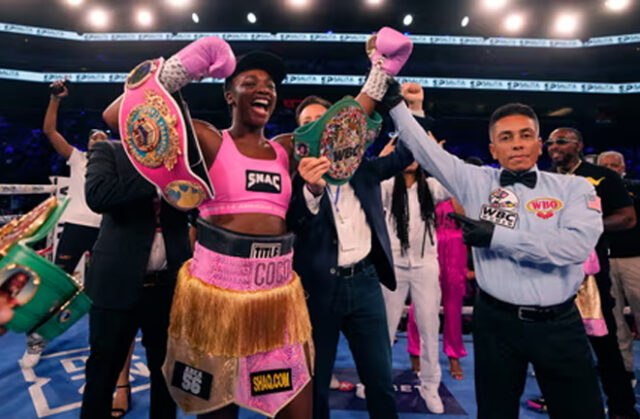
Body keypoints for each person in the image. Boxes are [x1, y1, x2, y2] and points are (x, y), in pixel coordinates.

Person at [383, 81, 606, 418]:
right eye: (506, 138)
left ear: (538, 143)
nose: (517, 144)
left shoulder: (574, 188)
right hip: (495, 323)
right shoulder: (475, 181)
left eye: (525, 135)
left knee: (581, 412)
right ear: (493, 149)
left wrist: (497, 237)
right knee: (495, 412)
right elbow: (423, 149)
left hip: (559, 324)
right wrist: (399, 104)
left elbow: (573, 248)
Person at [287, 31, 415, 419]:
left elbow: (409, 152)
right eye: (305, 123)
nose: (314, 128)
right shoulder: (290, 179)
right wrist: (310, 190)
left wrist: (412, 107)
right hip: (316, 291)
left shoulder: (364, 170)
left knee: (380, 382)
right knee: (315, 387)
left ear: (334, 127)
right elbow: (289, 226)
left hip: (364, 286)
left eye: (319, 121)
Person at [543, 129, 638, 419]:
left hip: (590, 275)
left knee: (605, 341)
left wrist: (585, 228)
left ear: (579, 146)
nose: (554, 147)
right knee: (553, 342)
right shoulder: (546, 180)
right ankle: (560, 401)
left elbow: (627, 217)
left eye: (561, 141)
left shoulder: (602, 177)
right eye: (549, 143)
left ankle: (622, 406)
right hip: (552, 271)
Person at [19, 80, 106, 369]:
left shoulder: (117, 163)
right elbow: (49, 132)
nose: (98, 138)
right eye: (94, 136)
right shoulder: (78, 159)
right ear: (88, 143)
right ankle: (37, 339)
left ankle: (105, 341)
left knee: (103, 290)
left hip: (108, 232)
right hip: (77, 227)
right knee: (56, 287)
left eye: (104, 136)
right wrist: (56, 100)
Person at [379, 148, 451, 413]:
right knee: (382, 331)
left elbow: (452, 179)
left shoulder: (432, 187)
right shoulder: (387, 186)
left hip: (425, 267)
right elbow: (368, 184)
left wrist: (434, 150)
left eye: (414, 152)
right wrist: (383, 156)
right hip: (393, 266)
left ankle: (430, 386)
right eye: (404, 152)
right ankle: (375, 381)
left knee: (429, 329)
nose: (409, 158)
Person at [598, 150, 640, 384]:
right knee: (613, 321)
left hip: (636, 259)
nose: (612, 169)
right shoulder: (589, 191)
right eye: (606, 165)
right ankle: (624, 372)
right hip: (605, 261)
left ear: (623, 168)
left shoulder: (635, 188)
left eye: (615, 165)